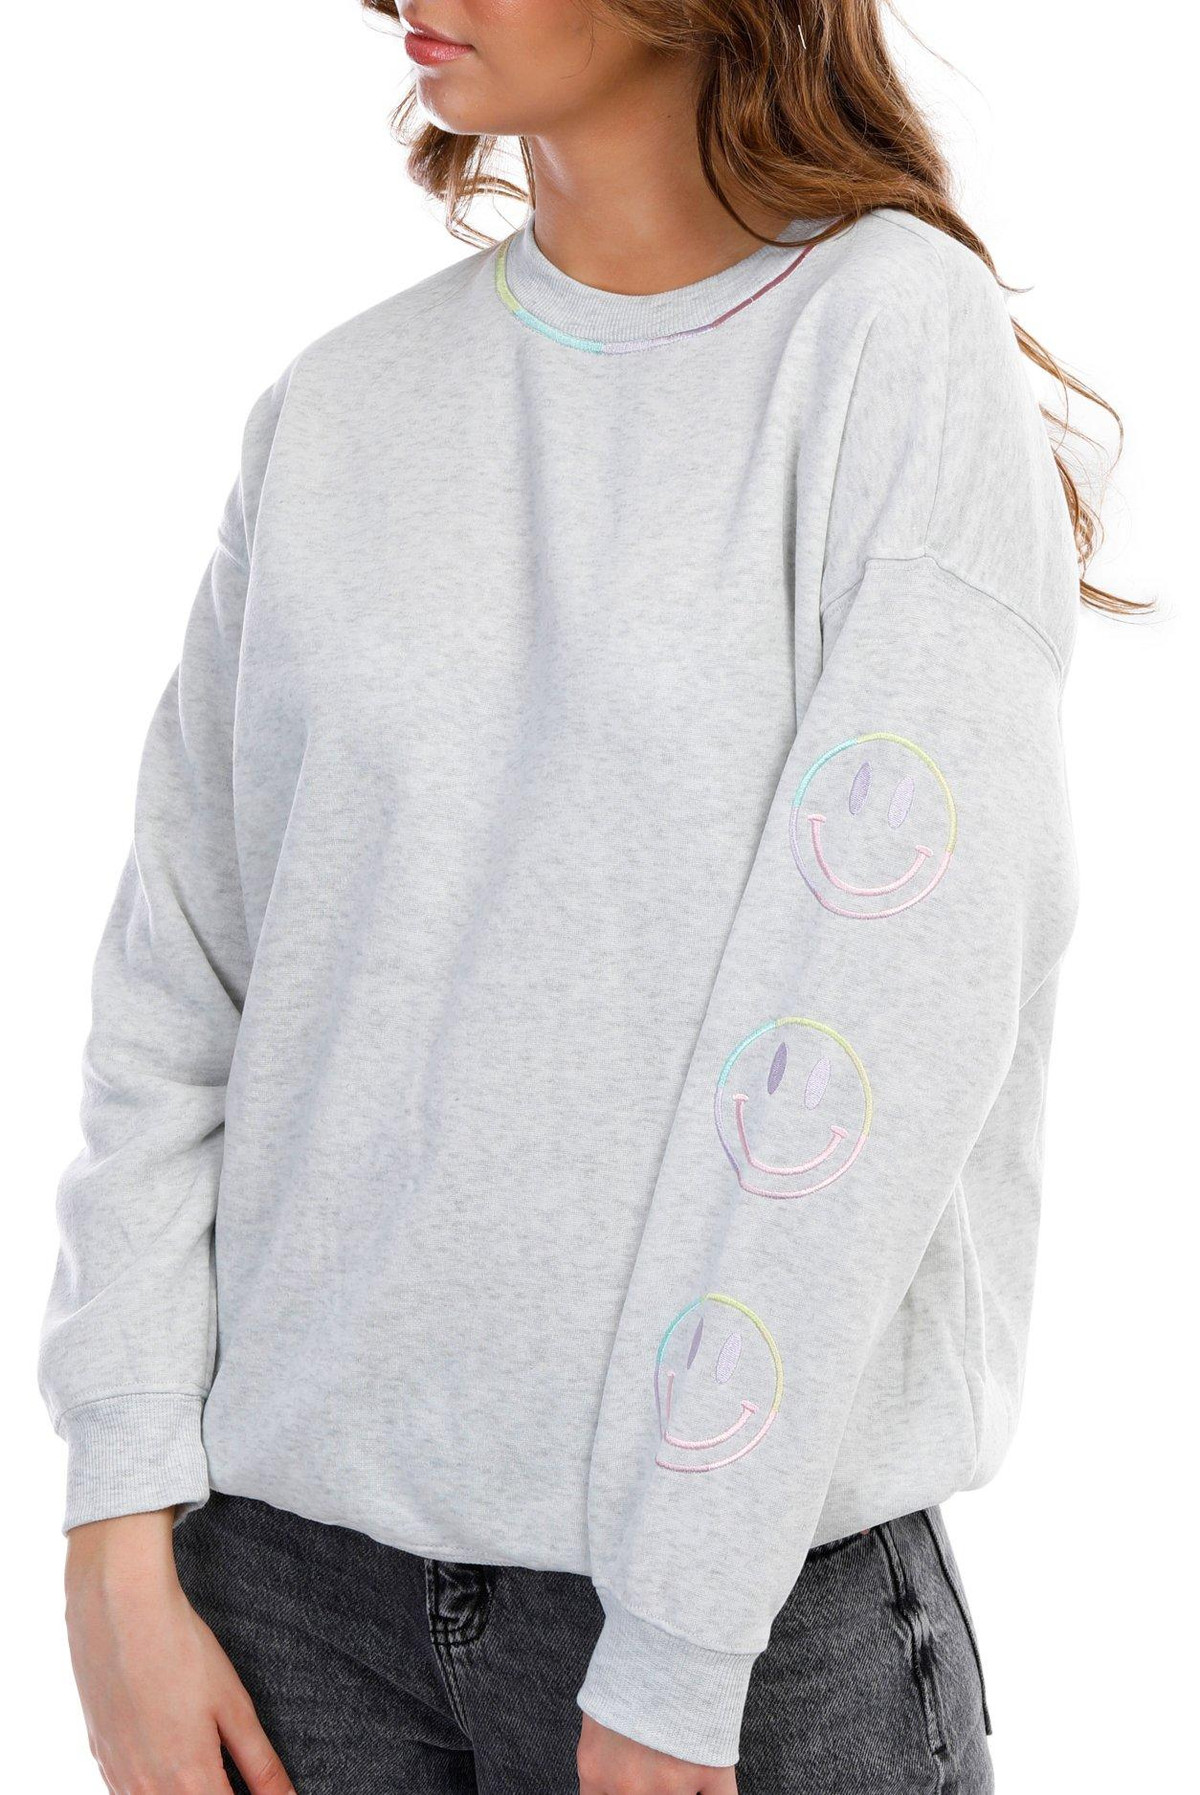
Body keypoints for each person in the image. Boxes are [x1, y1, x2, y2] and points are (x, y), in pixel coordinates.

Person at [40, 4, 1135, 1792]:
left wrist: (682, 1638)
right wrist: (115, 1524)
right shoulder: (339, 407)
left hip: (731, 1629)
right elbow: (181, 993)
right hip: (282, 1608)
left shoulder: (884, 341)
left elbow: (869, 1039)